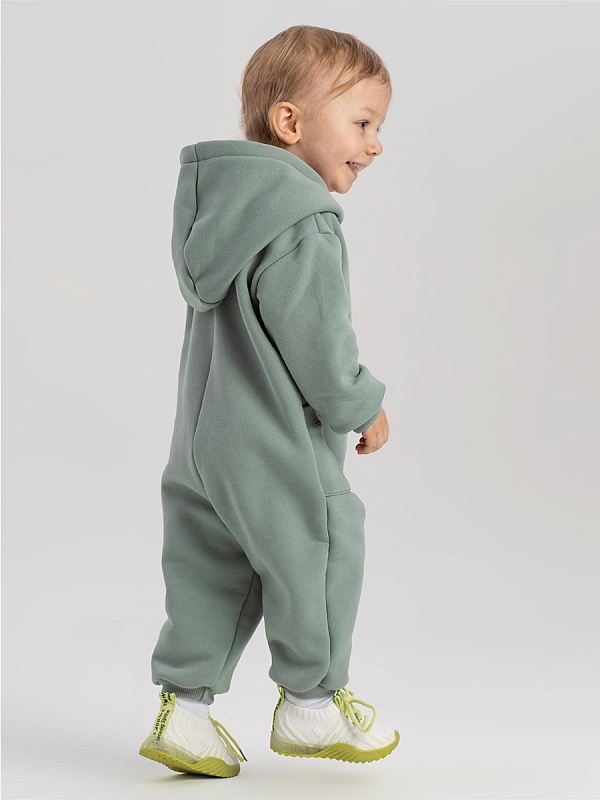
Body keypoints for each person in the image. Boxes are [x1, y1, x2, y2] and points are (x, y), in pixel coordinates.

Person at [138, 24, 399, 778]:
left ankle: (185, 714)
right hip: (273, 440)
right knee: (322, 543)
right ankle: (311, 703)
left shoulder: (220, 213)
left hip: (203, 442)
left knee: (208, 564)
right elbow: (319, 342)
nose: (376, 144)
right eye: (362, 123)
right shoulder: (302, 221)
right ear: (290, 121)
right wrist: (361, 403)